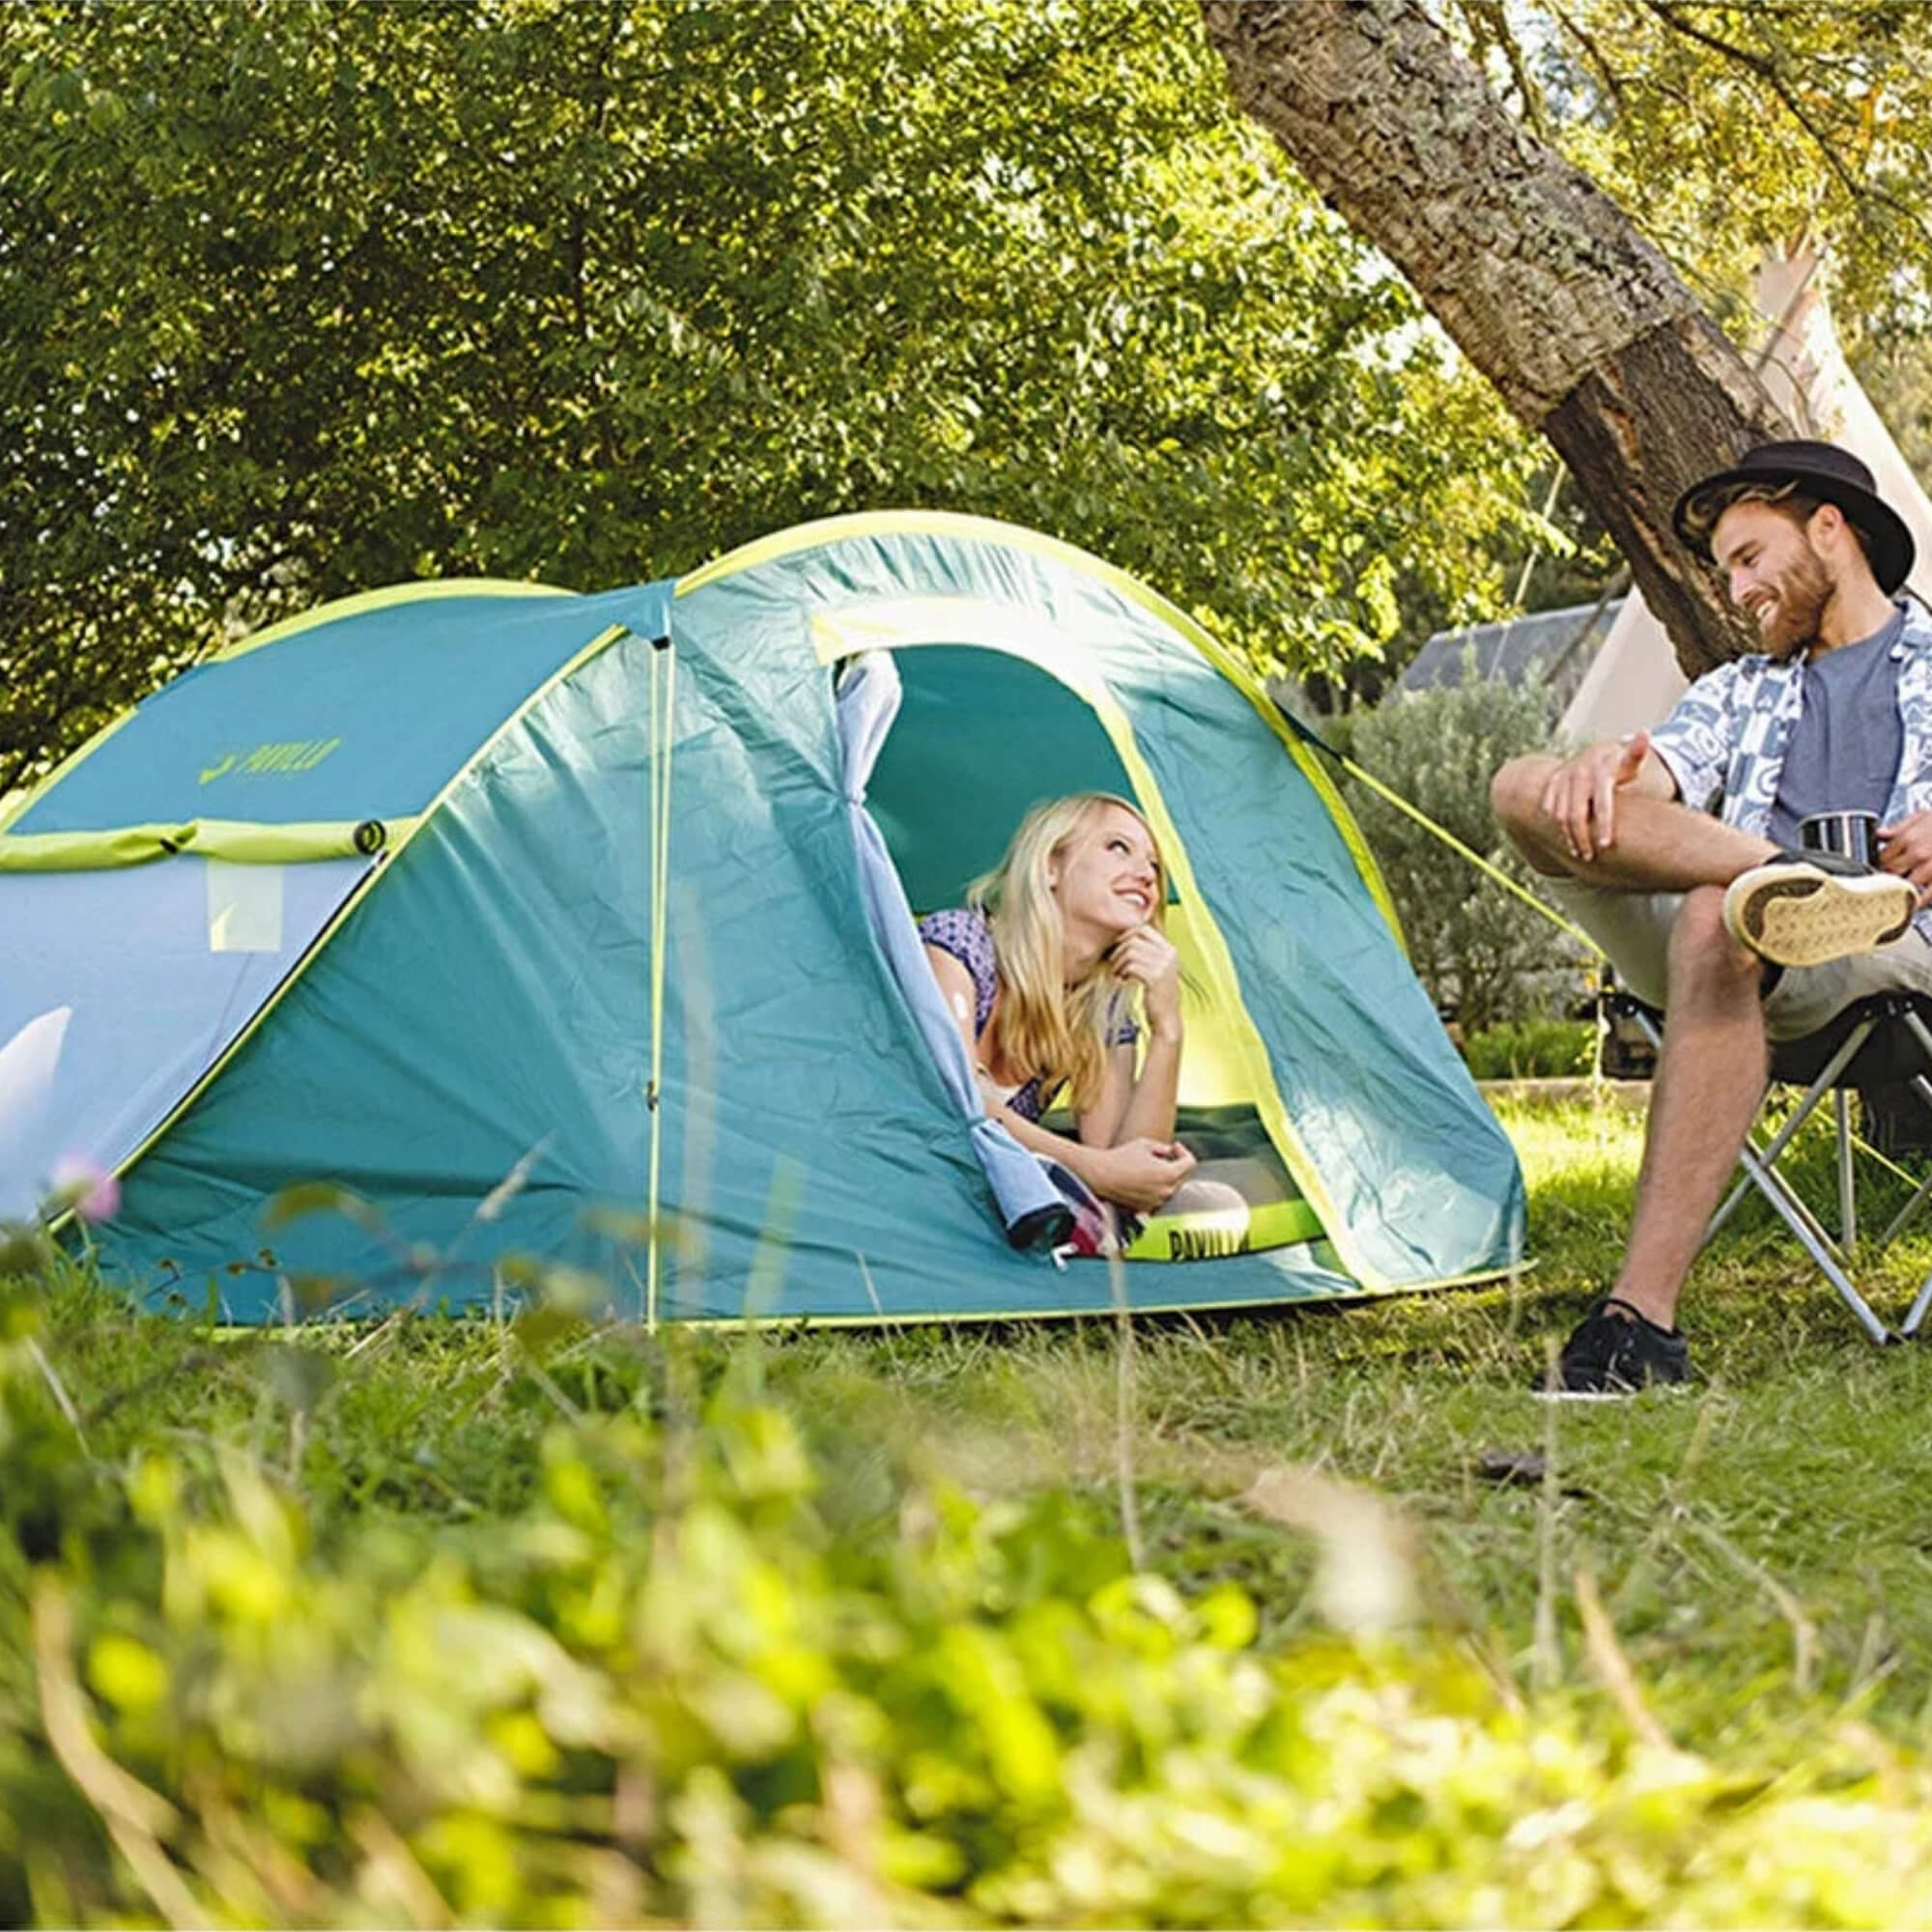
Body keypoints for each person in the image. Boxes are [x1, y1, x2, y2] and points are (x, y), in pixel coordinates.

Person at [1491, 440, 1932, 1395]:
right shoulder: (1739, 688)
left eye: (1746, 557)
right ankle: (1790, 876)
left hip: (1893, 951)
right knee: (1521, 785)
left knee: (1710, 918)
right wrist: (1601, 770)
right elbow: (1660, 768)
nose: (1733, 590)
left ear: (1828, 528)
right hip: (1742, 938)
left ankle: (1636, 1322)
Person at [920, 791, 1198, 1219]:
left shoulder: (1101, 1008)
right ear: (1051, 866)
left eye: (1155, 866)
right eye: (1118, 847)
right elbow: (956, 1102)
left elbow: (1128, 1167)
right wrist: (1094, 1170)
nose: (1145, 874)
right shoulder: (959, 945)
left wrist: (1168, 1030)